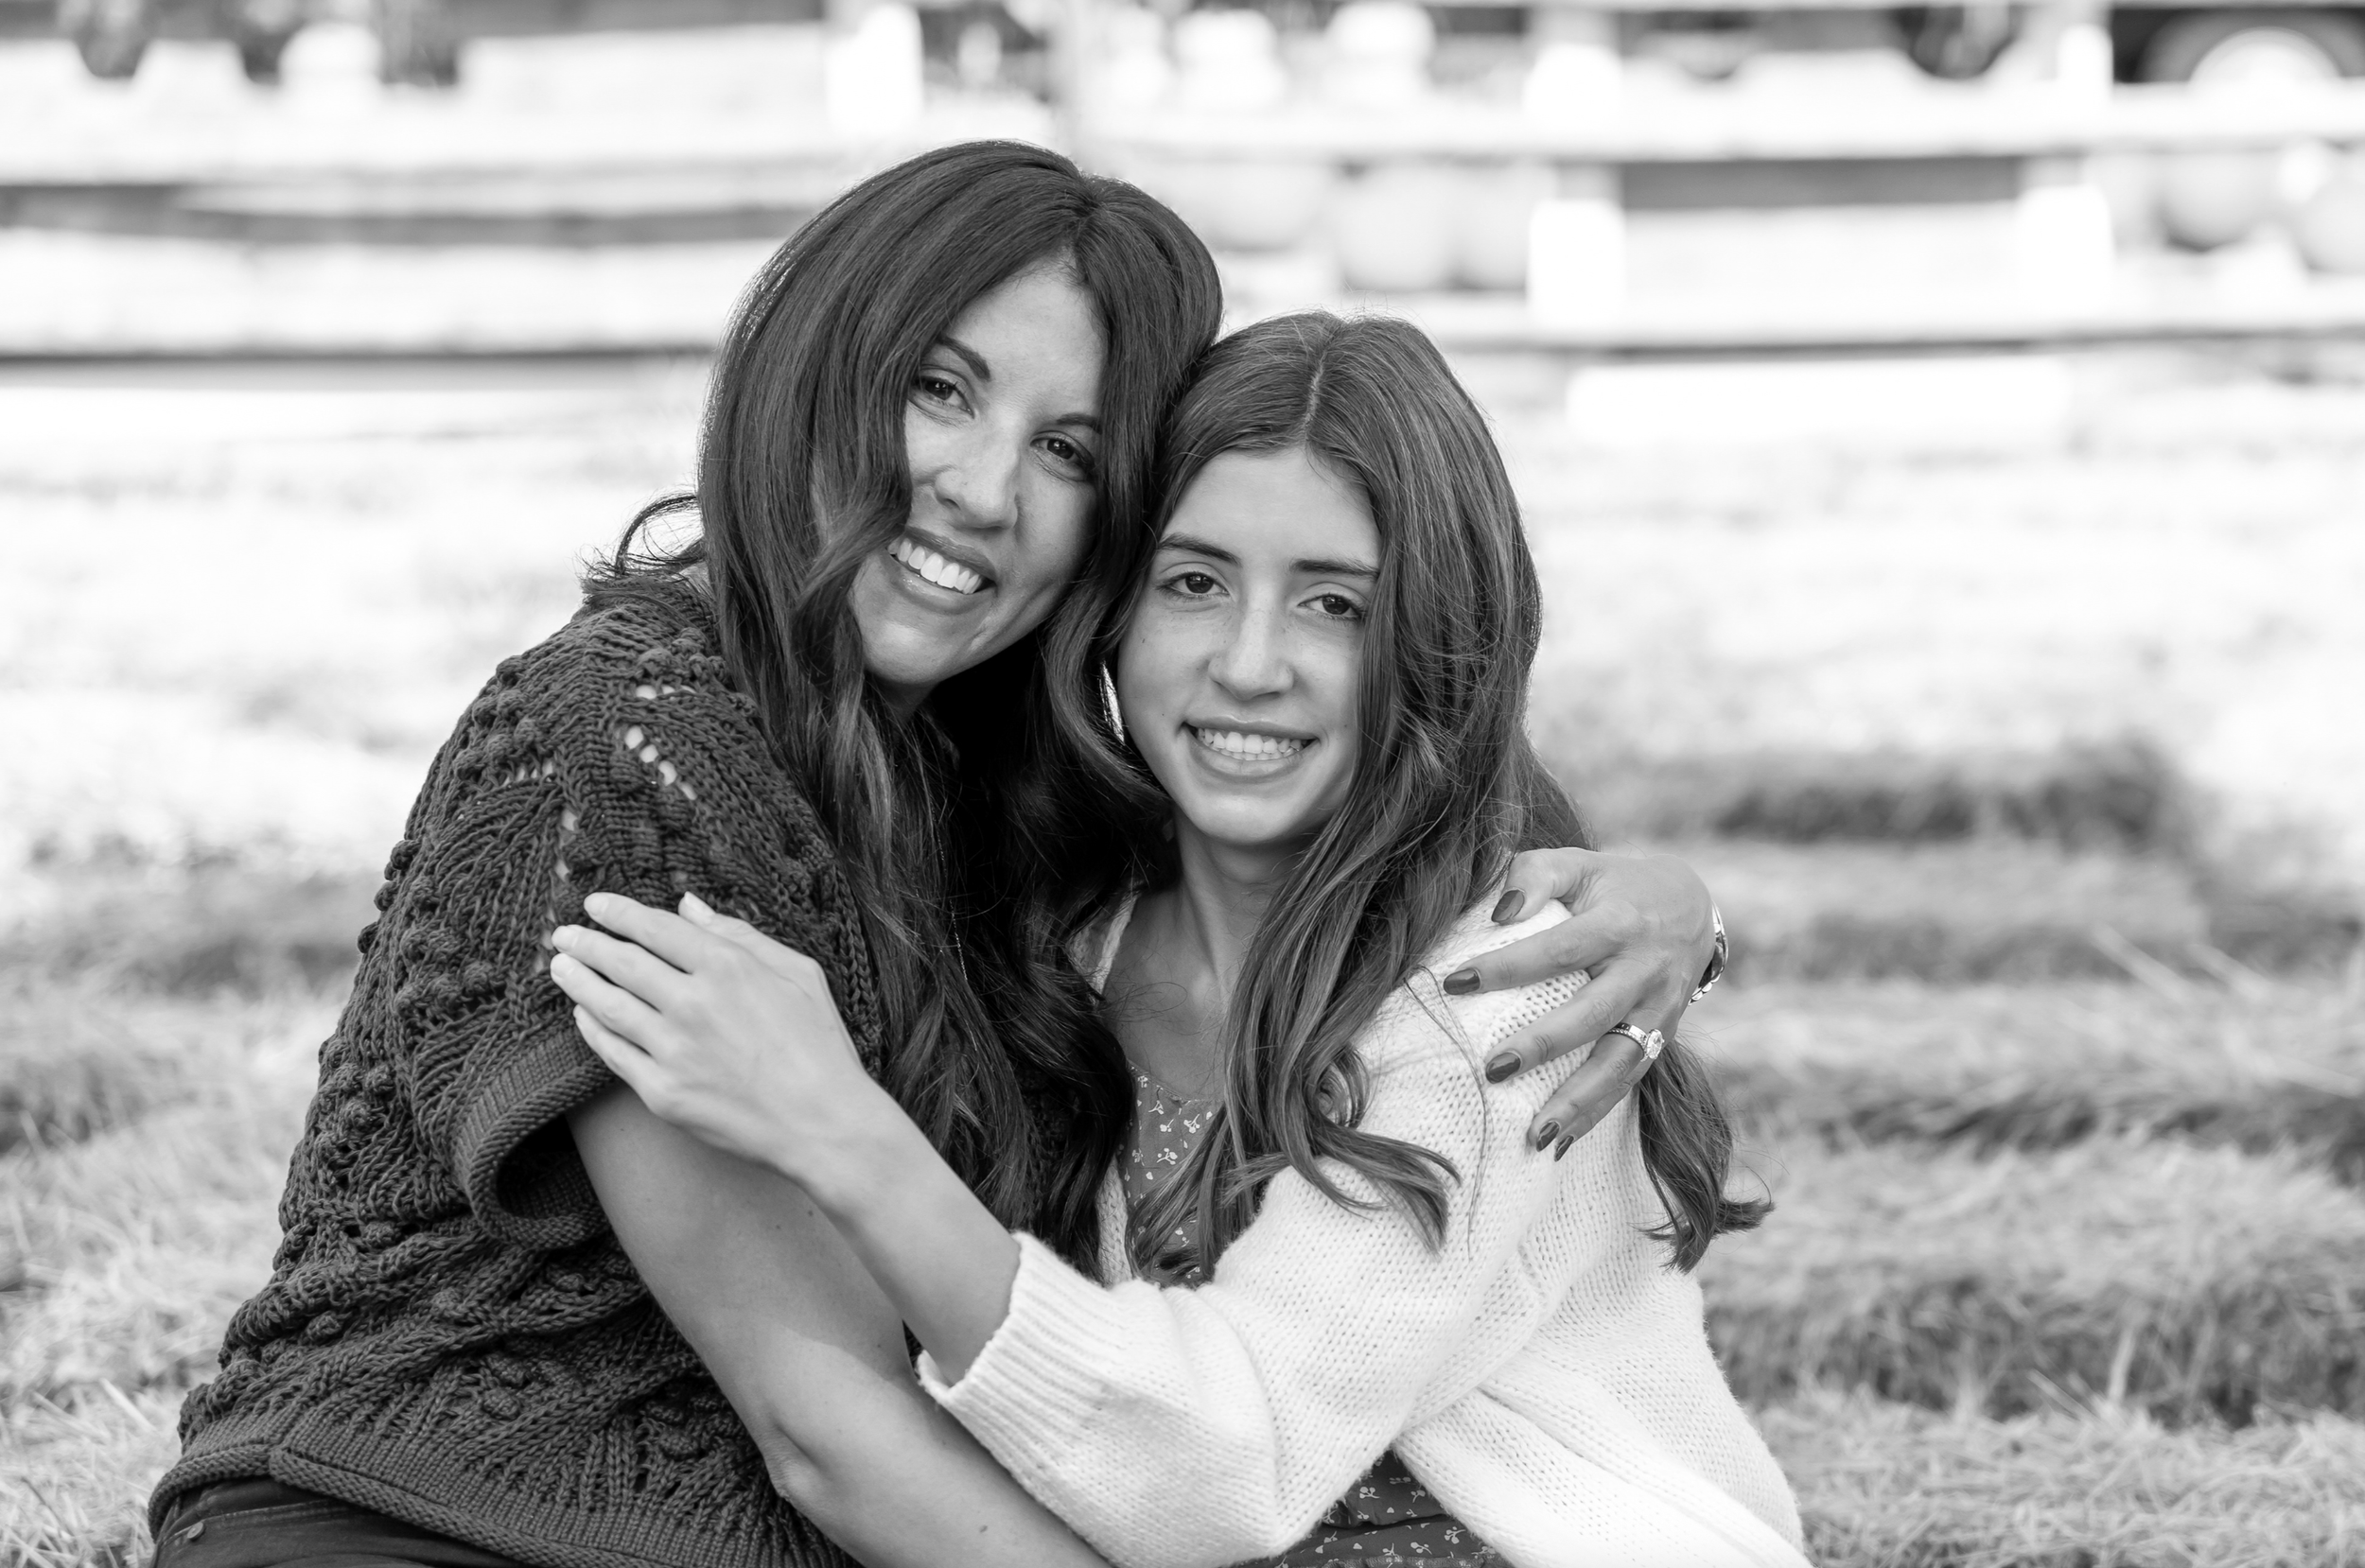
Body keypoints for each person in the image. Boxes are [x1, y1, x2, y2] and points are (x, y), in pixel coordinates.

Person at [148, 144, 1725, 1568]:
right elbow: (822, 1422)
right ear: (814, 368)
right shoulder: (629, 736)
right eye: (943, 389)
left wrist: (1675, 907)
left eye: (1070, 451)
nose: (981, 490)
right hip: (426, 1515)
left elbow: (1407, 809)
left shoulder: (1015, 783)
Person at [549, 312, 1804, 1568]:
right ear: (1111, 611)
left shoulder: (1507, 989)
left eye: (1336, 604)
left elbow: (1222, 1462)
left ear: (1438, 639)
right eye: (1194, 582)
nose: (1250, 663)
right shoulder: (1061, 931)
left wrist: (840, 1132)